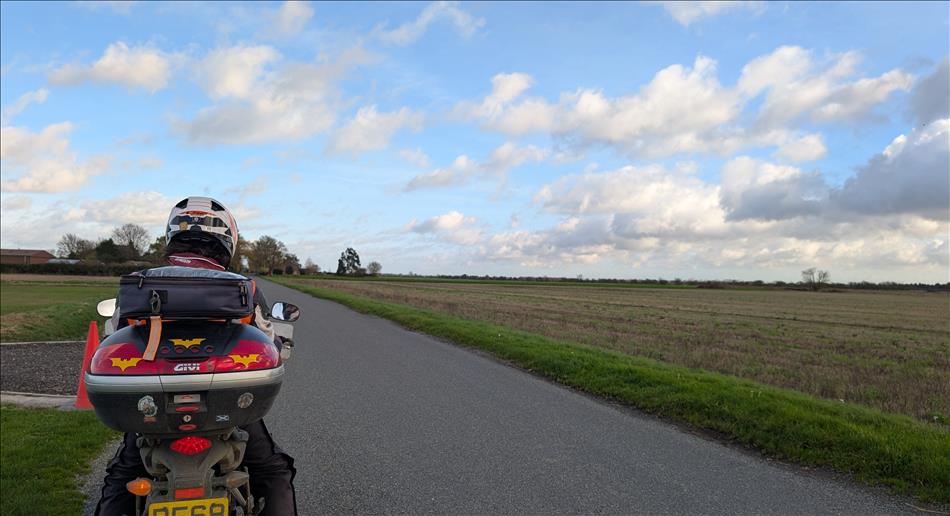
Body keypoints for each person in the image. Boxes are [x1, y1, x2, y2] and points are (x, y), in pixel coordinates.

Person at [95, 196, 297, 516]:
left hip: (154, 407)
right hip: (223, 407)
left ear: (173, 234)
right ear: (227, 239)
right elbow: (267, 341)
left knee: (122, 473)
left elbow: (116, 336)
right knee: (273, 470)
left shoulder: (141, 283)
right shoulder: (242, 286)